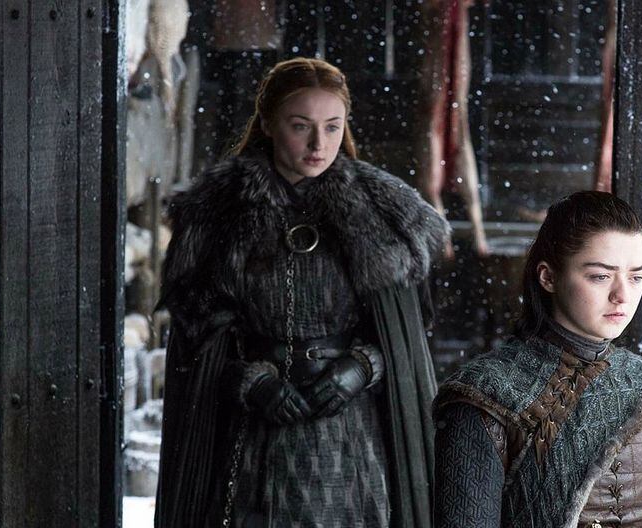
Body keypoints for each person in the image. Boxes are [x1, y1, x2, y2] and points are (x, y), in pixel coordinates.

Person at [154, 57, 449, 528]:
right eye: (300, 126)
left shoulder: (385, 214)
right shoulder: (217, 215)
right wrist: (253, 382)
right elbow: (198, 336)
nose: (319, 144)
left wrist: (361, 368)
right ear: (268, 124)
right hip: (253, 437)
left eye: (332, 127)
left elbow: (407, 333)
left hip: (350, 438)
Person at [432, 191, 642, 528]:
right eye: (601, 276)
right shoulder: (486, 396)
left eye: (636, 277)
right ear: (548, 277)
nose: (623, 295)